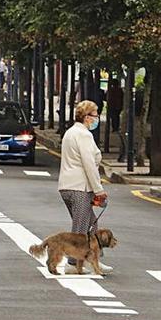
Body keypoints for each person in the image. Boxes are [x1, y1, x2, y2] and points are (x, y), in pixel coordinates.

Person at [57, 100, 111, 273]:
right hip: (79, 187)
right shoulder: (84, 135)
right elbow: (89, 164)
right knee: (81, 228)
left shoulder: (70, 132)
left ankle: (94, 260)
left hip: (67, 186)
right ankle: (72, 263)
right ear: (87, 117)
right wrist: (99, 190)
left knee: (91, 225)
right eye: (95, 115)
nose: (97, 119)